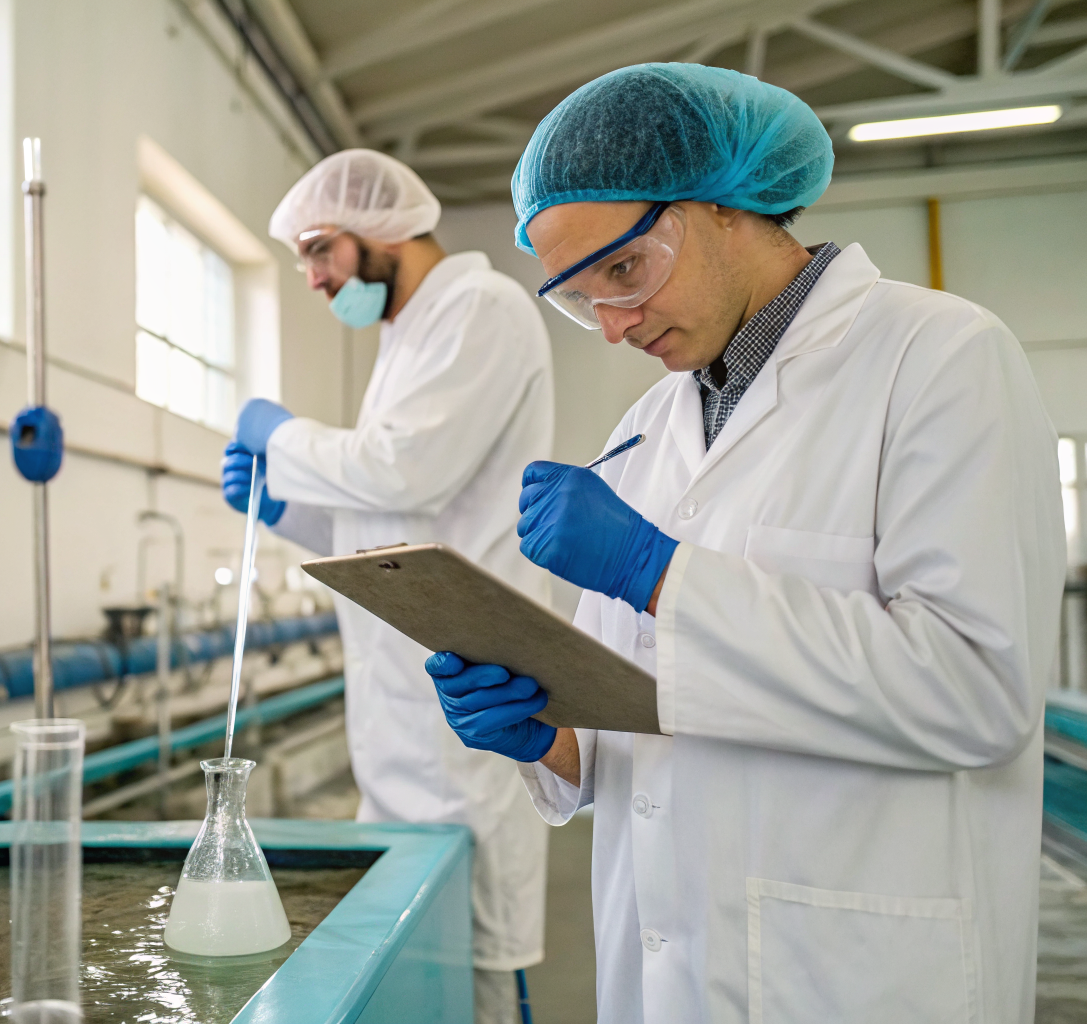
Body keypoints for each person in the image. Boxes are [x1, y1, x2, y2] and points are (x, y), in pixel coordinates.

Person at [425, 63, 1064, 1023]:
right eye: (578, 298)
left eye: (626, 272)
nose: (611, 325)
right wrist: (549, 736)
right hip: (663, 972)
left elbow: (977, 690)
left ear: (724, 206)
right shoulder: (643, 431)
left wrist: (660, 576)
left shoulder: (939, 359)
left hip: (860, 974)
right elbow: (641, 723)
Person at [222, 149, 555, 1023]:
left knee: (474, 970)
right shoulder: (404, 339)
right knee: (419, 964)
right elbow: (386, 531)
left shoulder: (483, 308)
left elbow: (406, 471)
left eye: (319, 250)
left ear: (383, 231)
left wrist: (282, 434)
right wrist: (285, 509)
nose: (312, 278)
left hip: (466, 703)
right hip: (397, 727)